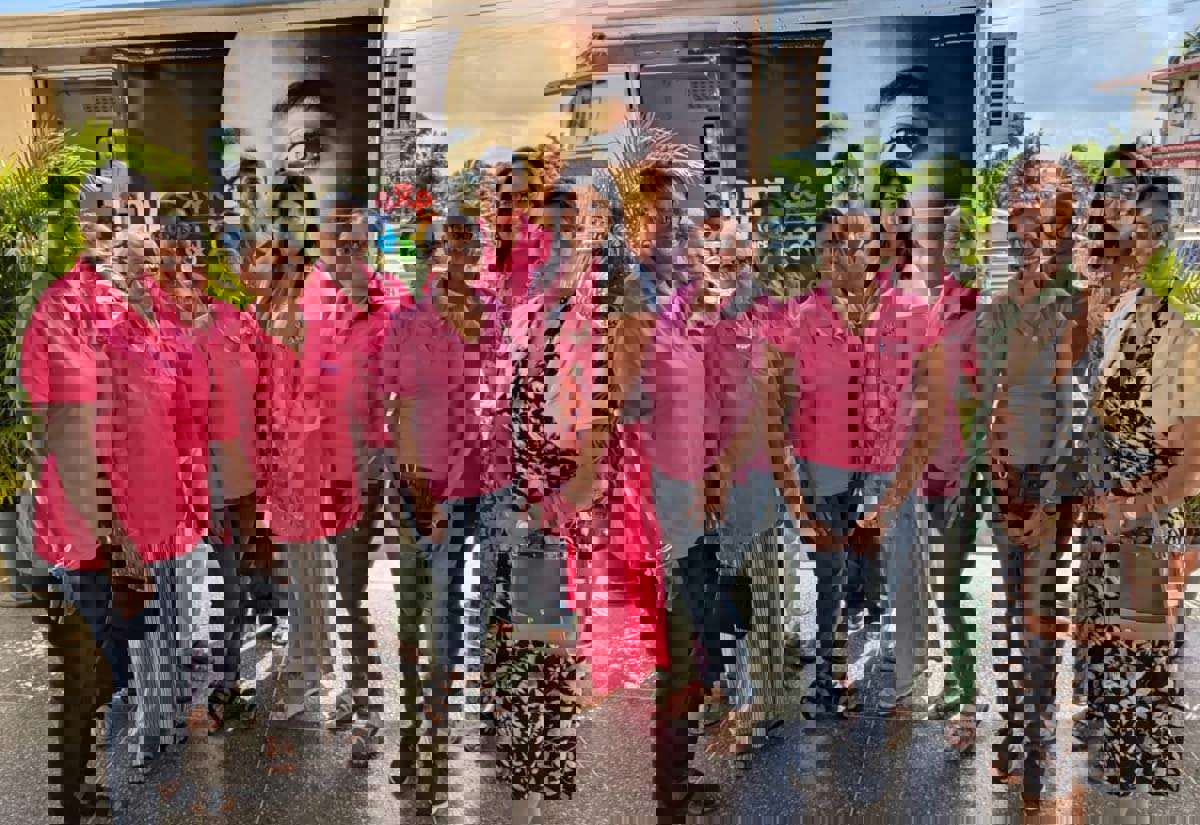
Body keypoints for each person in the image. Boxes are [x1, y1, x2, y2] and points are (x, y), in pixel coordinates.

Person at [767, 205, 945, 719]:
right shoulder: (795, 319)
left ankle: (907, 685)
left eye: (854, 243)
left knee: (900, 574)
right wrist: (796, 505)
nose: (842, 254)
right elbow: (772, 413)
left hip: (891, 469)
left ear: (879, 252)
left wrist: (893, 500)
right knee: (829, 575)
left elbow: (933, 409)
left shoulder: (914, 313)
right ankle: (828, 677)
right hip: (822, 467)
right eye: (831, 244)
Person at [1063, 169, 1200, 801]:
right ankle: (1109, 730)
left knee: (1136, 639)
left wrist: (1134, 504)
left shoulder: (1171, 332)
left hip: (1140, 512)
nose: (1094, 247)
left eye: (1114, 232)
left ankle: (1136, 757)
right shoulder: (1088, 319)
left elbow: (1189, 457)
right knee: (1098, 628)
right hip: (1099, 508)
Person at [980, 151, 1090, 810]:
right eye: (1021, 204)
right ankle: (1014, 725)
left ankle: (1036, 743)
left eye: (1043, 204)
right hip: (1007, 475)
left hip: (1051, 476)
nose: (1029, 218)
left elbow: (1074, 407)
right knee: (1010, 604)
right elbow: (990, 391)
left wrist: (1049, 497)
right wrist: (996, 468)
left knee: (1040, 610)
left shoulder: (1075, 300)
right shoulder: (1001, 299)